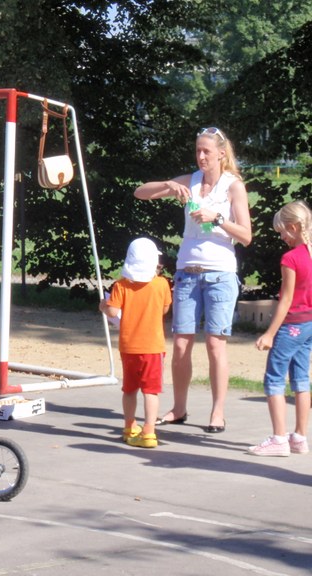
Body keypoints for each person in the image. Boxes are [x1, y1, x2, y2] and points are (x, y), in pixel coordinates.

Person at [134, 126, 252, 433]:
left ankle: (217, 412)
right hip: (187, 272)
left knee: (215, 345)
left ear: (221, 154)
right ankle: (179, 407)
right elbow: (140, 193)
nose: (201, 156)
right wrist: (168, 185)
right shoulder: (191, 181)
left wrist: (218, 218)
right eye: (198, 150)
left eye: (206, 151)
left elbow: (246, 235)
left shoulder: (233, 186)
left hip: (220, 274)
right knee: (181, 344)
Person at [249, 200, 312, 457]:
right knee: (301, 378)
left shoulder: (291, 258)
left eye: (282, 231)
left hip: (292, 325)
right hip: (309, 325)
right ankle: (299, 437)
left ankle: (279, 439)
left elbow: (286, 300)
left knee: (274, 378)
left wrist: (269, 333)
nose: (281, 237)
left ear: (294, 227)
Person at [100, 238, 172, 448]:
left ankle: (129, 426)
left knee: (130, 389)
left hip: (129, 346)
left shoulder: (121, 285)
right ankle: (149, 431)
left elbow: (112, 312)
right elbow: (165, 309)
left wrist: (104, 305)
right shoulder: (162, 284)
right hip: (153, 347)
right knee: (151, 391)